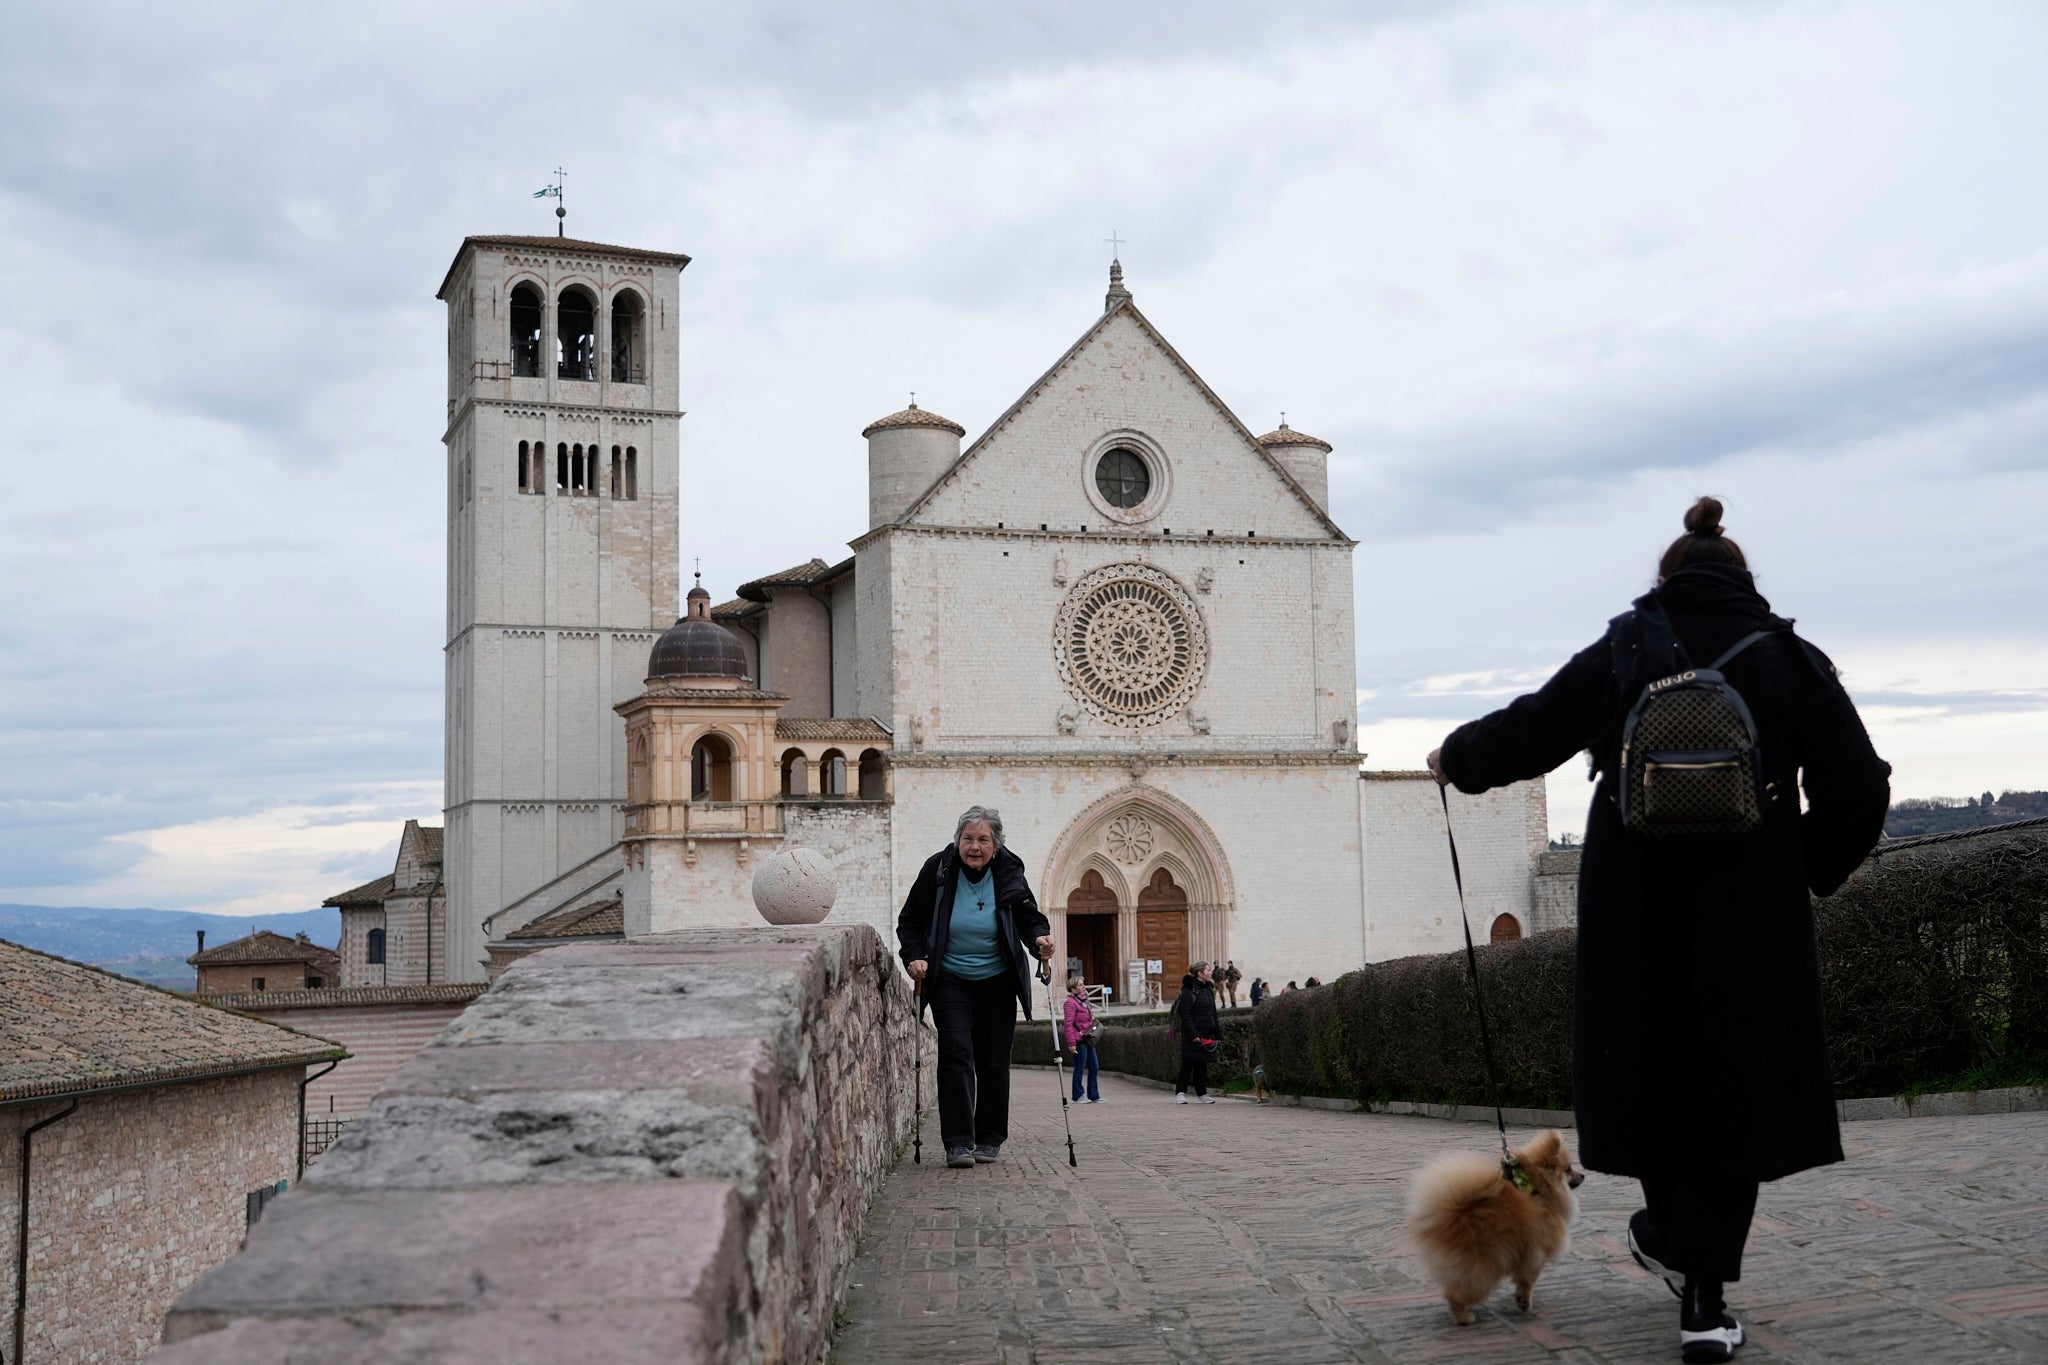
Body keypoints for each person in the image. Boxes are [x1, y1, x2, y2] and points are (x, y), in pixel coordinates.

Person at [1426, 497, 1889, 1364]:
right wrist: (1804, 868)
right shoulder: (1789, 657)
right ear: (1744, 577)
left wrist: (1457, 756)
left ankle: (1672, 1236)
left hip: (1636, 912)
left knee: (1650, 1080)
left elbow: (1536, 725)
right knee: (1735, 1093)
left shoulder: (1630, 646)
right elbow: (1860, 788)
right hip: (1751, 918)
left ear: (1665, 579)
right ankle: (1704, 1299)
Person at [897, 805, 1056, 1169]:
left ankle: (988, 1138)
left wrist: (1040, 942)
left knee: (994, 1060)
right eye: (968, 838)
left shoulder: (1008, 870)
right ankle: (957, 1142)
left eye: (983, 839)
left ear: (996, 844)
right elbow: (910, 922)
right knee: (955, 1053)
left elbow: (1029, 918)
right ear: (957, 840)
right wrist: (915, 956)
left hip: (998, 979)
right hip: (950, 976)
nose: (974, 846)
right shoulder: (938, 869)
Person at [1170, 961, 1222, 1104]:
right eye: (1208, 970)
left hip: (1207, 1033)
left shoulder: (1208, 989)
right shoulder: (1189, 990)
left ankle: (1202, 1094)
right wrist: (1194, 1035)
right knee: (1188, 1064)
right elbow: (1185, 1015)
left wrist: (1217, 1034)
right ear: (1199, 973)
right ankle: (1180, 1093)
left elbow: (1214, 1013)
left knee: (1202, 1065)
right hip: (1192, 1035)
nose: (1211, 973)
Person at [1063, 975, 1102, 1104]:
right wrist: (1071, 1043)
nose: (1083, 987)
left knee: (1094, 1066)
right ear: (1073, 989)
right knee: (1079, 1067)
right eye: (1080, 985)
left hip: (1088, 1038)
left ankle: (1094, 1095)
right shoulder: (1070, 1003)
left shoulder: (1085, 1000)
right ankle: (1078, 1095)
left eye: (1083, 984)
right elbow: (1068, 1024)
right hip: (1079, 1039)